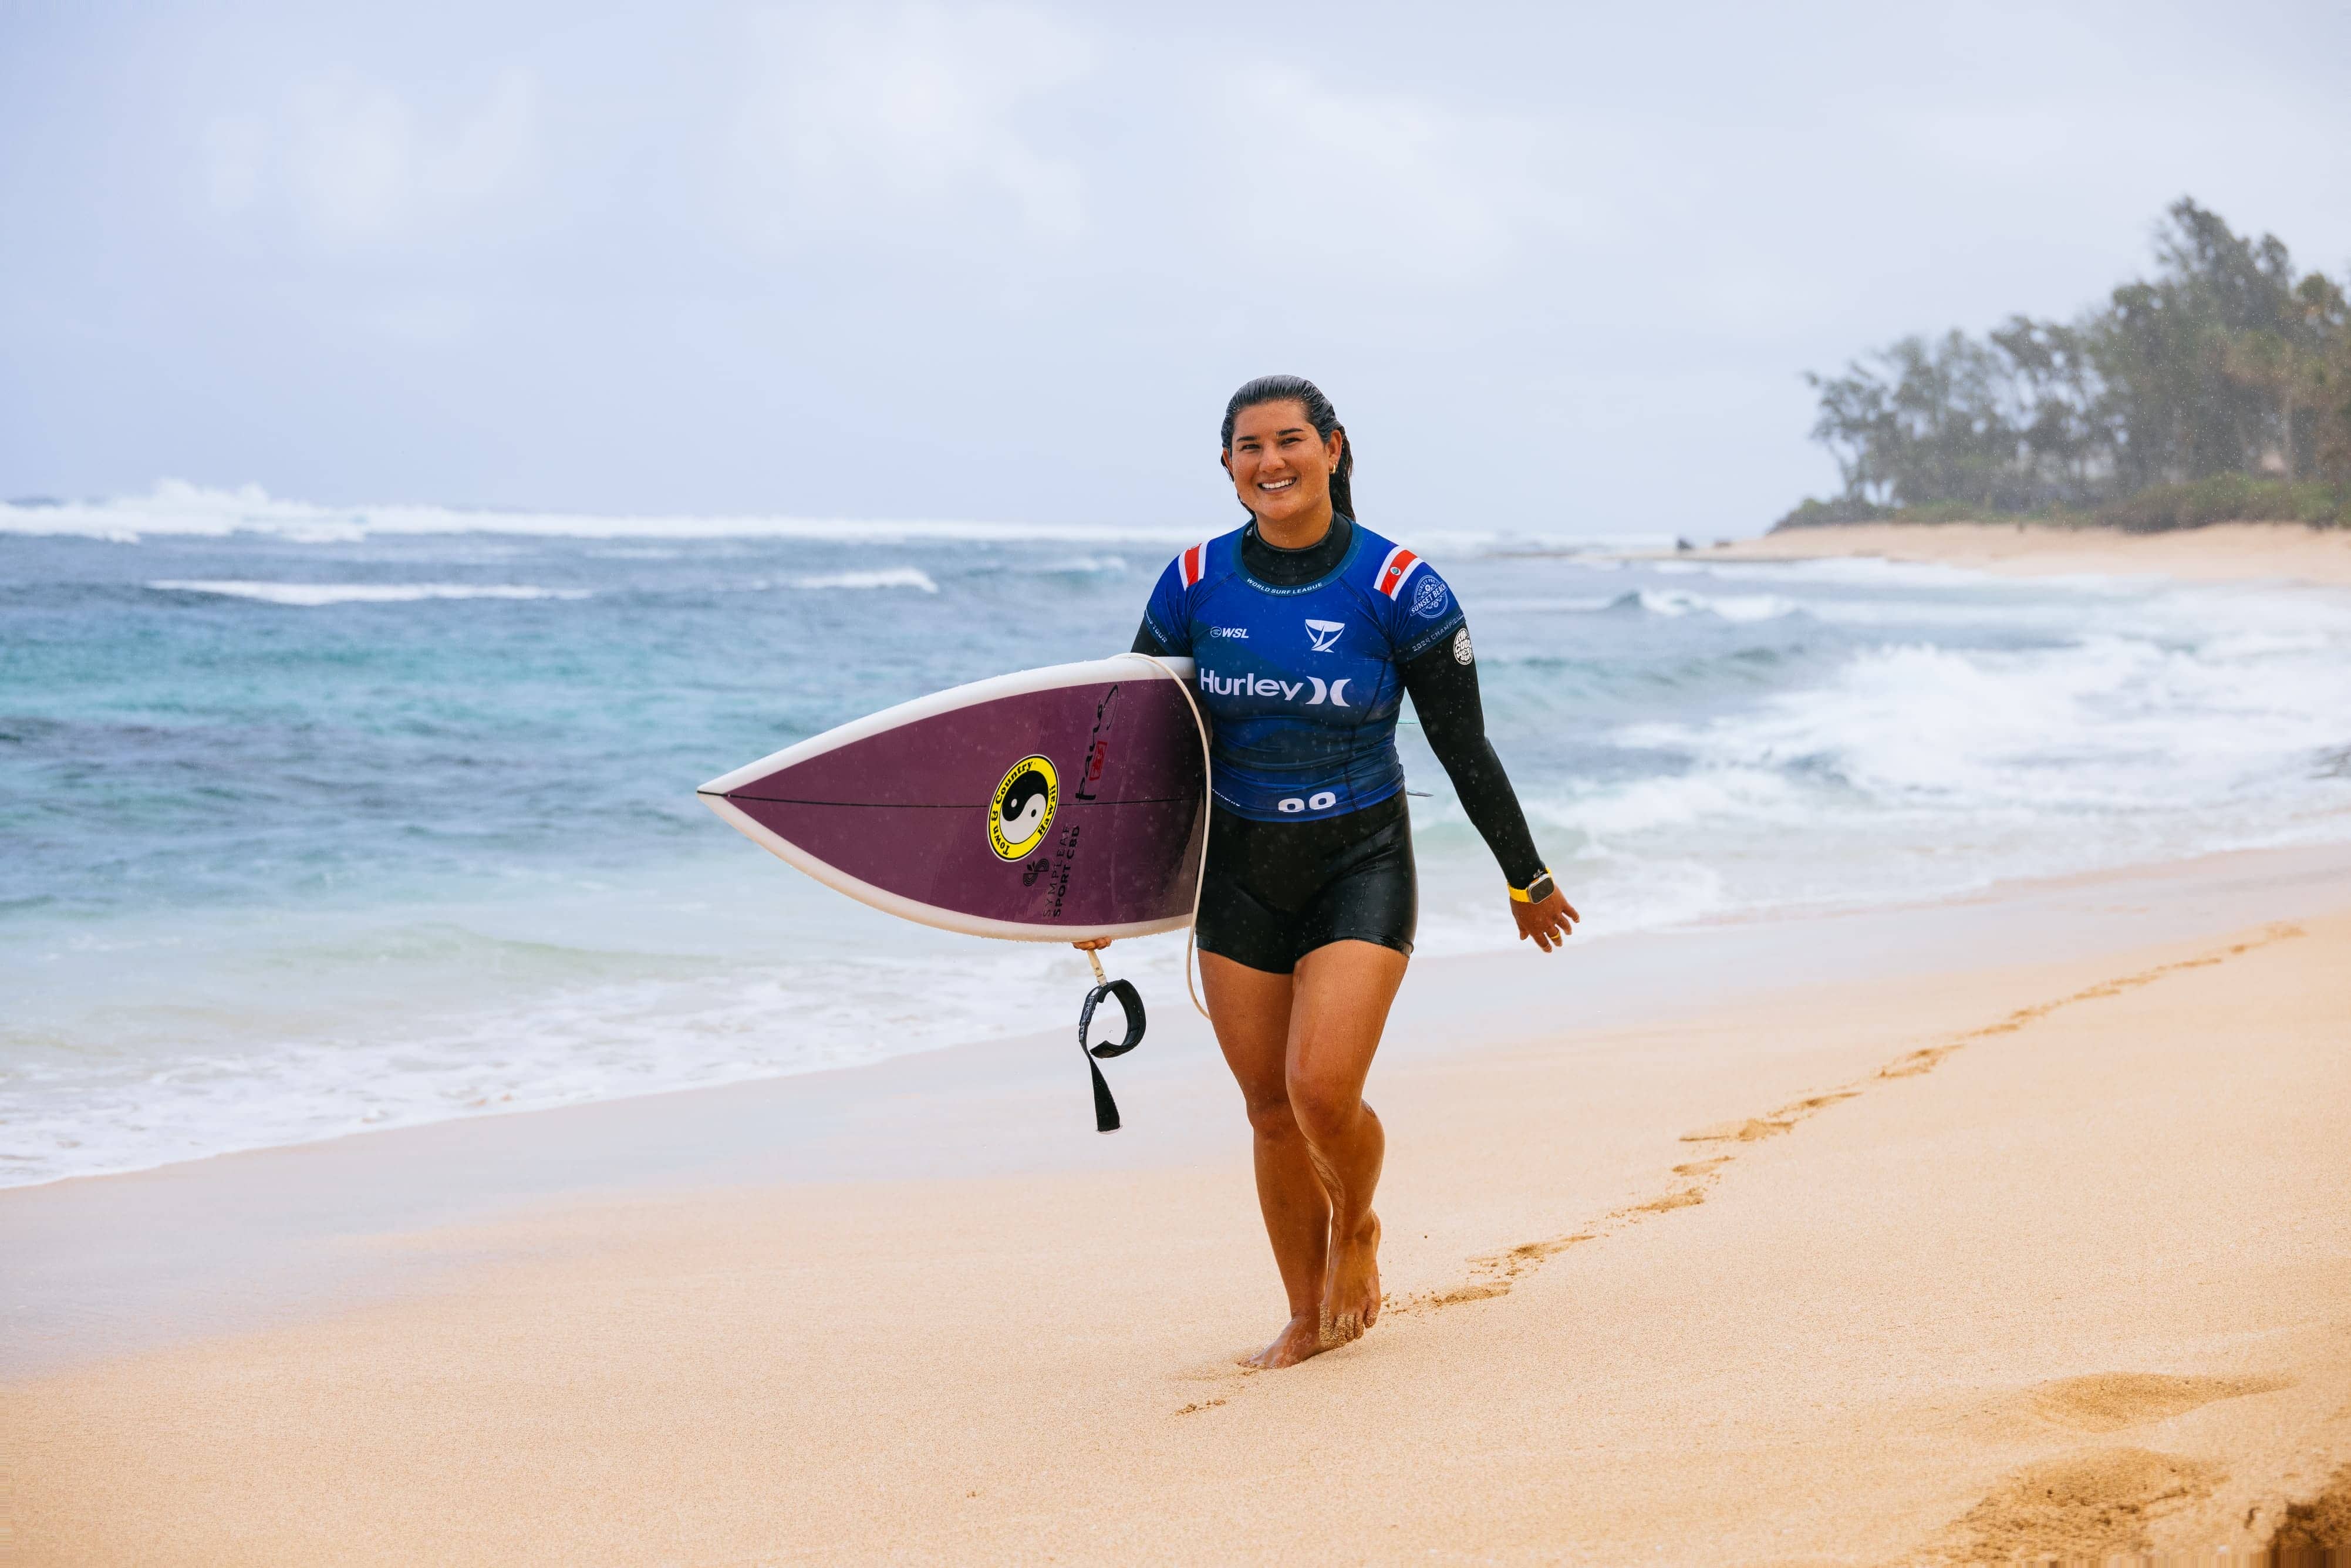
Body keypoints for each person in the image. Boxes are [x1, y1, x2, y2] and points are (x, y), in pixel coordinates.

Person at [1080, 375, 1578, 1369]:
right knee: (1267, 1110)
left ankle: (1357, 1227)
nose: (1272, 461)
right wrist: (1092, 894)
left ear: (1333, 449)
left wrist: (1525, 878)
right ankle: (1304, 1315)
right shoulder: (1191, 583)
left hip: (1361, 857)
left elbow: (1462, 747)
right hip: (1239, 871)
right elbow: (1136, 748)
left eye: (1291, 440)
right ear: (1227, 469)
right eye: (1250, 447)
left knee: (1318, 1089)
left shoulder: (1401, 589)